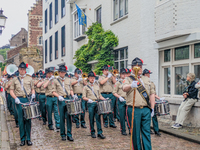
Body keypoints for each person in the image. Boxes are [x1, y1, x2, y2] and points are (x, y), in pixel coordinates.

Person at [123, 57, 155, 150]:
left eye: (140, 66)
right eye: (137, 66)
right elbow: (124, 88)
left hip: (145, 109)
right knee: (135, 134)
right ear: (132, 68)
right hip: (134, 109)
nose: (139, 68)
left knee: (146, 132)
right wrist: (131, 85)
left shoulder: (147, 79)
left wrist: (152, 108)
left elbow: (152, 93)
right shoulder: (128, 79)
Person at [10, 62, 35, 146]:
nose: (22, 70)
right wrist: (15, 98)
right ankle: (22, 139)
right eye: (20, 69)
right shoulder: (14, 79)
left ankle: (28, 139)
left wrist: (33, 95)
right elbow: (11, 91)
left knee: (28, 119)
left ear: (25, 70)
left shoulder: (30, 79)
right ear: (18, 70)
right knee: (21, 120)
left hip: (27, 99)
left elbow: (32, 89)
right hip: (19, 99)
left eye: (23, 69)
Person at [52, 65, 77, 141]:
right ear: (59, 72)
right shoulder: (55, 81)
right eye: (61, 72)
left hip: (68, 98)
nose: (63, 73)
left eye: (64, 72)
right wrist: (58, 96)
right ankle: (63, 134)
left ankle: (69, 134)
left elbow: (71, 89)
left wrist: (73, 96)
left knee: (69, 117)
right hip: (61, 99)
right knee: (62, 117)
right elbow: (53, 91)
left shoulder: (68, 80)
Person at [82, 71, 106, 139]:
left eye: (93, 77)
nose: (92, 79)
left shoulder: (97, 85)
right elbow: (83, 97)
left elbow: (99, 95)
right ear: (88, 78)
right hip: (90, 103)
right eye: (91, 78)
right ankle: (92, 132)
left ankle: (100, 132)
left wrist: (104, 99)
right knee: (91, 118)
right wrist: (88, 100)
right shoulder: (86, 87)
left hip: (97, 102)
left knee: (98, 118)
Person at [143, 69, 163, 136]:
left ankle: (156, 130)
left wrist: (159, 98)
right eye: (148, 74)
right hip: (145, 101)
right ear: (145, 74)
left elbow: (153, 93)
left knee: (154, 115)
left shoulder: (151, 83)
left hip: (151, 101)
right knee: (147, 117)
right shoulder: (141, 82)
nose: (149, 75)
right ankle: (148, 129)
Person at [113, 68, 129, 135]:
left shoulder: (128, 82)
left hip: (128, 100)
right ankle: (123, 129)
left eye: (125, 73)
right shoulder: (117, 83)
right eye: (123, 74)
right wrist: (119, 97)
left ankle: (130, 129)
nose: (124, 75)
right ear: (120, 75)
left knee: (129, 116)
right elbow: (114, 92)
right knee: (122, 116)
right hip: (121, 100)